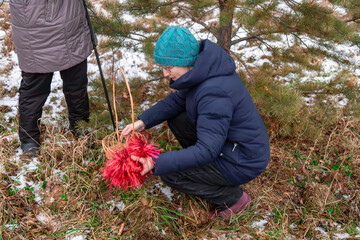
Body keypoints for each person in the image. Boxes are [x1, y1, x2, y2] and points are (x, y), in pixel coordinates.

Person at [122, 26, 270, 218]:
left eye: (168, 68)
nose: (165, 74)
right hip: (230, 146)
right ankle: (204, 170)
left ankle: (232, 199)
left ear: (185, 62)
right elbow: (177, 101)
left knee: (169, 173)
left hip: (243, 160)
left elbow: (208, 150)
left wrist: (157, 162)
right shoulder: (204, 71)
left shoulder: (214, 92)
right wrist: (143, 121)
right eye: (163, 68)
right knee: (176, 116)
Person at [9, 0, 93, 156]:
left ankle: (80, 125)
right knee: (35, 86)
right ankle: (29, 138)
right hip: (34, 21)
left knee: (77, 81)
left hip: (70, 16)